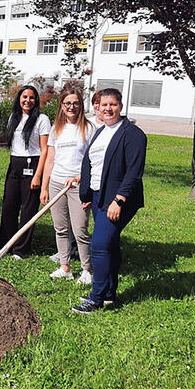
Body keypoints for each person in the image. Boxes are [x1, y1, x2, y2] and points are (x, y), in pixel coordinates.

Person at [71, 87, 147, 313]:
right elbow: (95, 165)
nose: (108, 108)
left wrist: (119, 200)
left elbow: (134, 172)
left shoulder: (132, 134)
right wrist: (86, 191)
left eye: (112, 104)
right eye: (104, 105)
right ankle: (109, 293)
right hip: (98, 196)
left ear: (120, 106)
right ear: (98, 107)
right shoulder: (101, 130)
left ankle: (95, 298)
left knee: (100, 244)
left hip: (117, 199)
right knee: (110, 245)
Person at [41, 88, 96, 284]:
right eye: (67, 103)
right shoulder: (56, 128)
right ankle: (65, 266)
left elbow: (94, 161)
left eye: (75, 103)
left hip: (77, 186)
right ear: (62, 107)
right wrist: (44, 187)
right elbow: (49, 160)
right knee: (61, 228)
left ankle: (86, 269)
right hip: (57, 183)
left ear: (81, 105)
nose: (71, 107)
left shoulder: (89, 129)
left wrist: (80, 178)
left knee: (80, 229)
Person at [0, 85, 50, 259]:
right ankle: (7, 243)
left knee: (28, 209)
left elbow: (45, 150)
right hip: (15, 164)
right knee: (9, 206)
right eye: (24, 97)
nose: (27, 100)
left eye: (31, 97)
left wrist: (37, 176)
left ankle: (22, 249)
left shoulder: (42, 119)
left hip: (33, 164)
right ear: (19, 99)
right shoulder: (14, 117)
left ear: (36, 101)